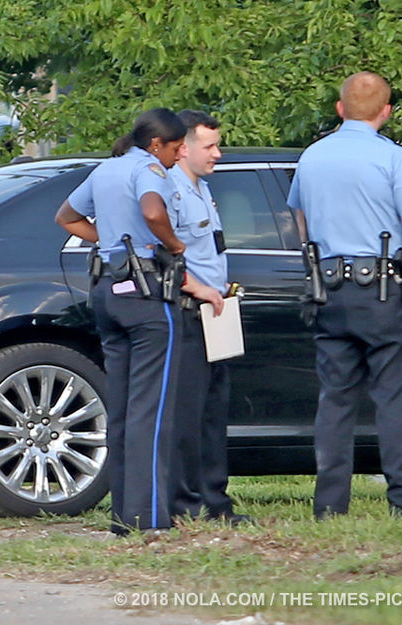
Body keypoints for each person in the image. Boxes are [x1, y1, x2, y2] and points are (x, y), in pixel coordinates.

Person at [287, 72, 402, 519]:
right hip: (382, 293)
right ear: (386, 112)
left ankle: (329, 508)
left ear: (340, 109)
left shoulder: (312, 157)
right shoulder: (392, 159)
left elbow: (302, 227)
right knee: (394, 400)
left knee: (335, 401)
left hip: (328, 292)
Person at [54, 108, 222, 534]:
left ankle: (123, 518)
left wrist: (110, 236)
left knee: (124, 412)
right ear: (155, 145)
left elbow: (67, 218)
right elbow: (151, 212)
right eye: (175, 146)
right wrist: (175, 243)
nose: (178, 153)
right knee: (153, 412)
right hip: (147, 298)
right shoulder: (151, 171)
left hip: (108, 292)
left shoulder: (106, 169)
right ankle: (149, 519)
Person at [165, 110, 250, 525]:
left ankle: (215, 501)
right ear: (184, 148)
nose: (218, 154)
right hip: (187, 313)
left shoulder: (200, 190)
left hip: (214, 314)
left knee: (213, 413)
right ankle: (186, 503)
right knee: (187, 415)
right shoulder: (171, 191)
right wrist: (195, 287)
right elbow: (158, 252)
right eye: (210, 146)